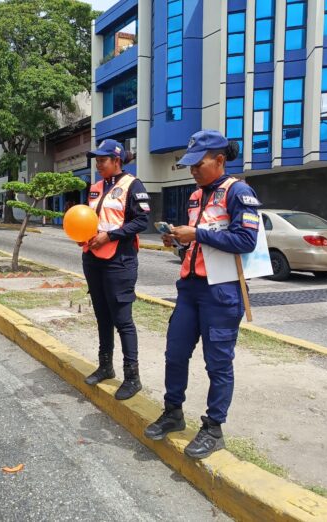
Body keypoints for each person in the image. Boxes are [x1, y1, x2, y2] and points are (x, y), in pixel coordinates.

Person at [143, 130, 260, 459]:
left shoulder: (239, 192)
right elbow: (200, 241)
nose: (193, 170)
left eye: (199, 164)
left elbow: (246, 242)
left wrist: (198, 233)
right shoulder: (196, 196)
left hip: (222, 292)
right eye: (190, 165)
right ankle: (173, 412)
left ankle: (213, 428)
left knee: (218, 363)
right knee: (175, 353)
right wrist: (180, 239)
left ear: (219, 160)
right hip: (190, 287)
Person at [80, 139, 149, 400]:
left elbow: (142, 221)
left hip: (119, 261)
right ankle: (105, 366)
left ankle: (132, 377)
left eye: (103, 160)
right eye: (96, 160)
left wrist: (110, 237)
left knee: (122, 320)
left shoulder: (133, 185)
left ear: (117, 160)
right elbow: (88, 219)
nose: (98, 164)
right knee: (102, 316)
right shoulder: (96, 187)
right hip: (92, 258)